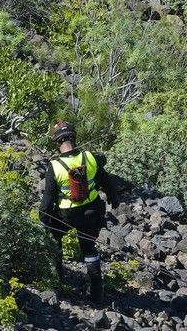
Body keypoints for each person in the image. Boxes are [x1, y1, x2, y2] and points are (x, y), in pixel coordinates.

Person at [39, 121, 119, 302]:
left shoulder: (55, 166)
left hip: (66, 216)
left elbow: (47, 200)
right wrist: (114, 200)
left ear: (57, 143)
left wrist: (43, 219)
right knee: (89, 247)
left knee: (55, 240)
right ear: (74, 138)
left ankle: (58, 283)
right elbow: (107, 182)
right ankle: (97, 293)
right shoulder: (90, 157)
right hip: (91, 212)